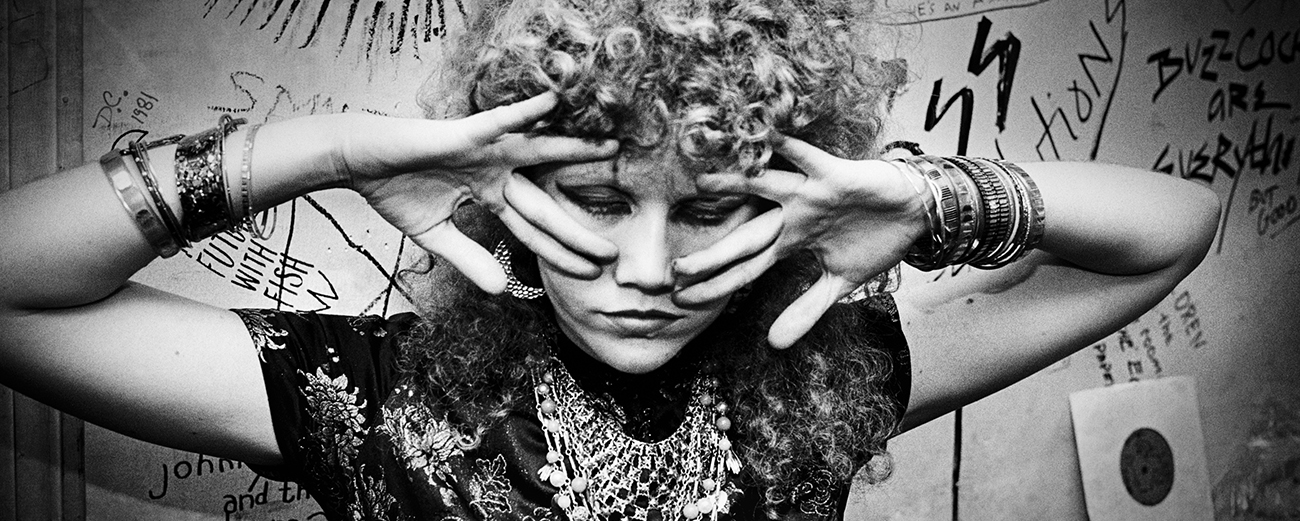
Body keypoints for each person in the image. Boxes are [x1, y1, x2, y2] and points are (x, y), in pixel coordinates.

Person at [0, 0, 1219, 519]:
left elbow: (1172, 229)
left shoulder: (826, 376)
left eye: (711, 209)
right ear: (511, 191)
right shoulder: (373, 396)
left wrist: (928, 195)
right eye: (592, 200)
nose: (646, 267)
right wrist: (316, 151)